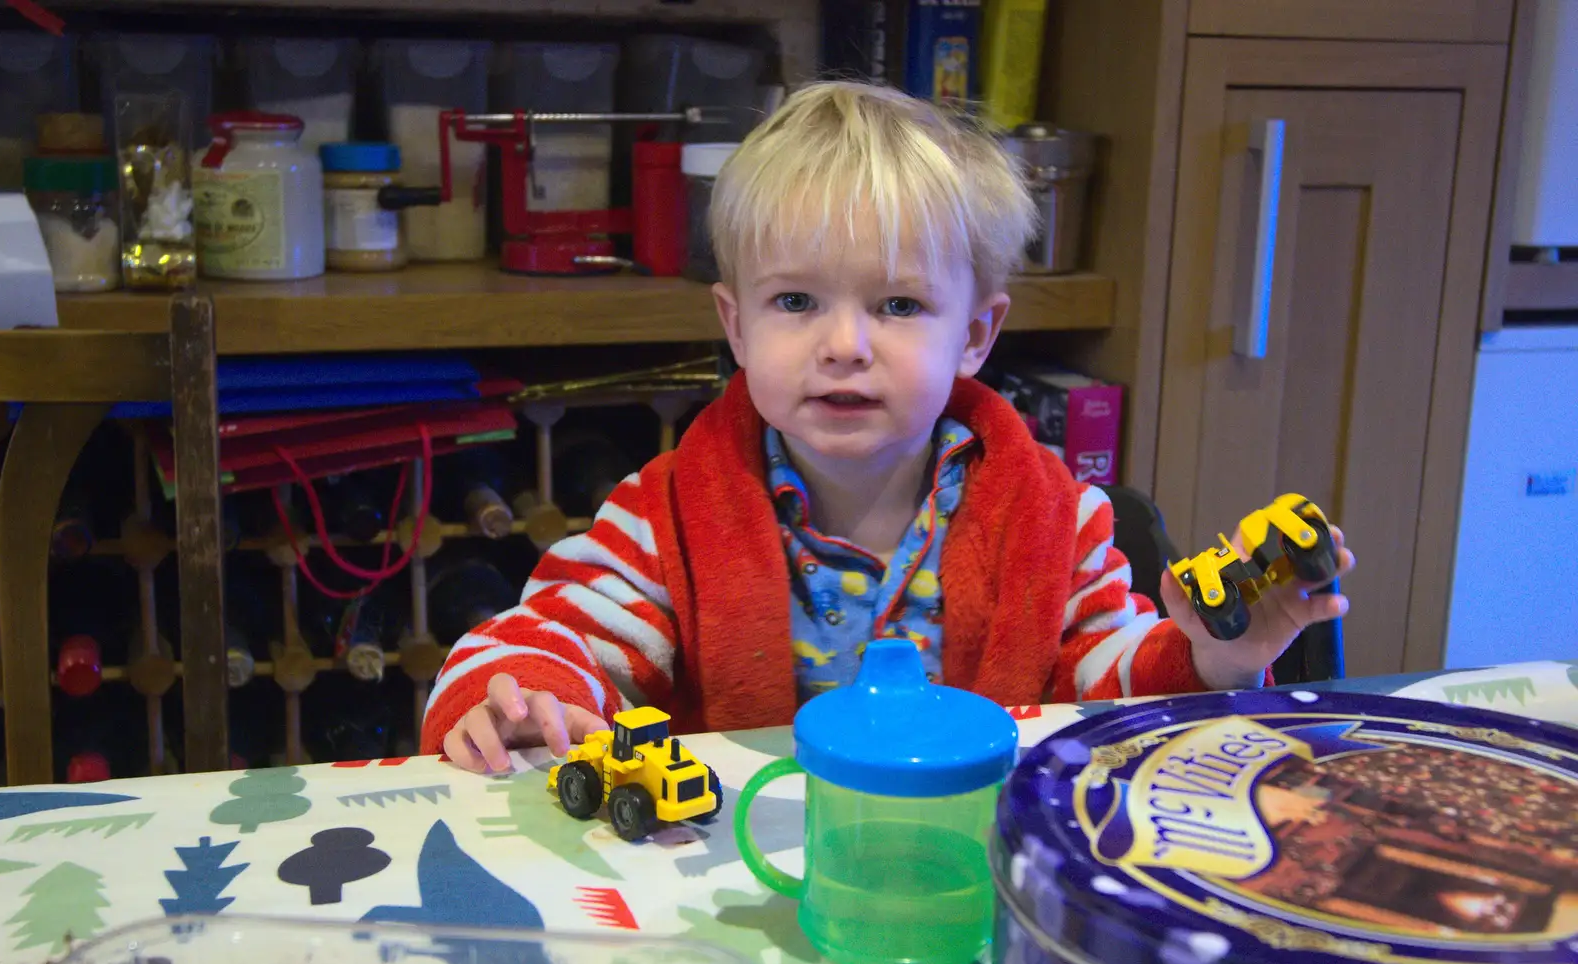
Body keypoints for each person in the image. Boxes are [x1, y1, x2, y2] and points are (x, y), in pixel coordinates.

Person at [423, 81, 1355, 772]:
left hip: (968, 863)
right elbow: (542, 637)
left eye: (900, 304)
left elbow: (1105, 682)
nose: (844, 344)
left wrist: (1211, 656)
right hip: (746, 871)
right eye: (796, 300)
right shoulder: (663, 517)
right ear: (736, 324)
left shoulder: (1055, 518)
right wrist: (517, 695)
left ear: (976, 335)